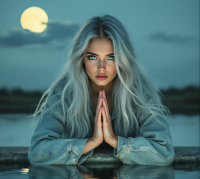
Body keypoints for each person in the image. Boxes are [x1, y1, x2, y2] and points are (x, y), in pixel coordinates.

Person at [28, 14, 175, 165]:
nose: (101, 68)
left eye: (111, 57)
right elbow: (37, 152)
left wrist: (115, 141)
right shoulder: (63, 93)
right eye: (93, 57)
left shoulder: (139, 92)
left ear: (122, 59)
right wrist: (91, 142)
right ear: (81, 59)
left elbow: (164, 152)